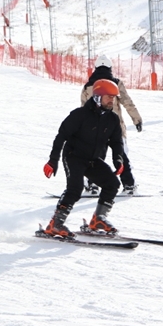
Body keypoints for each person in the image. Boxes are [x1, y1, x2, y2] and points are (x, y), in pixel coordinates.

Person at [42, 79, 126, 238]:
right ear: (98, 97)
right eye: (109, 97)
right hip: (73, 156)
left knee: (112, 184)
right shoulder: (79, 115)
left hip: (92, 159)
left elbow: (116, 142)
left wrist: (118, 160)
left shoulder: (112, 119)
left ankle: (98, 219)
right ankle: (56, 224)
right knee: (75, 189)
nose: (112, 100)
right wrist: (53, 161)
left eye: (114, 97)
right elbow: (61, 137)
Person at [80, 55, 142, 195]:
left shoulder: (88, 86)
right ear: (110, 68)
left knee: (95, 157)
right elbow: (127, 102)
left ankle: (92, 185)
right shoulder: (116, 84)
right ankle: (129, 185)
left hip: (96, 128)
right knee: (120, 156)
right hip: (115, 127)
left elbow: (84, 109)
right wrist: (137, 119)